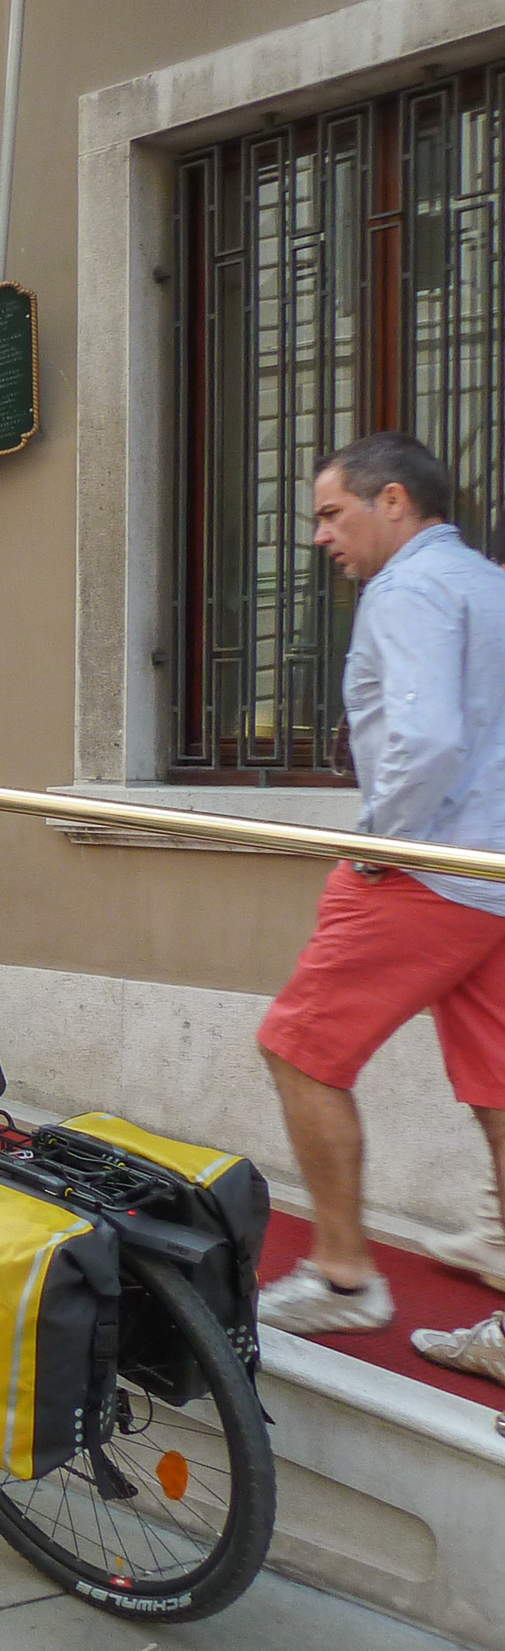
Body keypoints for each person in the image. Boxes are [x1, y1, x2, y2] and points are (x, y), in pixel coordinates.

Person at [254, 433, 505, 1389]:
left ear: (392, 501)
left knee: (298, 1048)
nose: (322, 535)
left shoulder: (404, 590)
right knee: (498, 1087)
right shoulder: (490, 584)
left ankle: (346, 1274)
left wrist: (379, 844)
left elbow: (428, 737)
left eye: (331, 514)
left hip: (426, 872)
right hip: (495, 873)